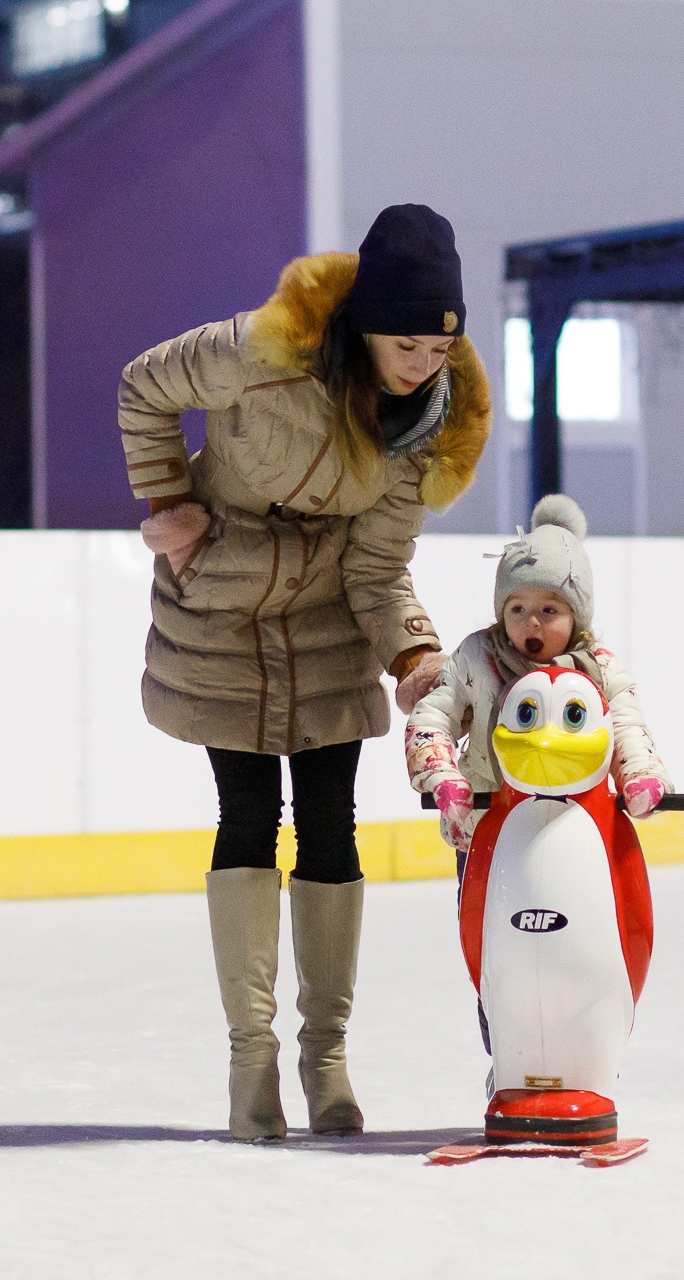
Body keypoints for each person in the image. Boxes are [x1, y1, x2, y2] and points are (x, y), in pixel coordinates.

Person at [117, 204, 491, 1141]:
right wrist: (173, 511)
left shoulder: (427, 431)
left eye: (439, 350)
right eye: (407, 344)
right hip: (222, 607)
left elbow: (377, 570)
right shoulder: (266, 348)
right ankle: (252, 1063)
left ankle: (326, 1058)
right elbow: (142, 387)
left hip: (328, 621)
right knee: (247, 815)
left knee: (332, 824)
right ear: (368, 325)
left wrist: (412, 653)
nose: (423, 366)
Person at [405, 494, 671, 863]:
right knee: (485, 919)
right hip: (485, 826)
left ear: (577, 616)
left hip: (577, 828)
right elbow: (432, 717)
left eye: (549, 609)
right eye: (517, 608)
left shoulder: (600, 669)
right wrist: (441, 776)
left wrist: (641, 777)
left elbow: (627, 729)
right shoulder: (478, 660)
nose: (531, 621)